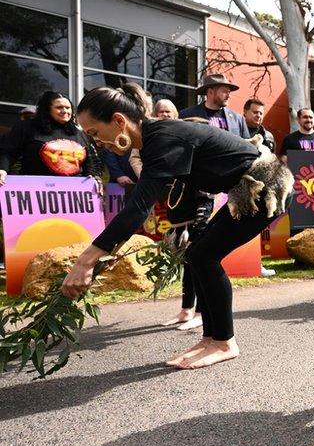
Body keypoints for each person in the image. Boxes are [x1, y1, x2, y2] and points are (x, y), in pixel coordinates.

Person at [61, 83, 291, 369]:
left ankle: (224, 342)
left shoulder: (161, 137)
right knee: (197, 256)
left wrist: (85, 262)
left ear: (119, 120)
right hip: (247, 186)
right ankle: (212, 338)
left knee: (204, 257)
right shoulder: (153, 140)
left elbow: (136, 211)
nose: (95, 142)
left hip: (266, 185)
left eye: (95, 133)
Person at [0, 91, 96, 184]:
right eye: (59, 107)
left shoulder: (78, 133)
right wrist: (2, 169)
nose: (65, 111)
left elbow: (89, 160)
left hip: (73, 191)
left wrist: (92, 176)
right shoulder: (27, 127)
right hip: (36, 189)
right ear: (47, 109)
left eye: (68, 108)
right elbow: (8, 152)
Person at [179, 73, 249, 138]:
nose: (228, 96)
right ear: (210, 92)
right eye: (224, 92)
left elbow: (248, 147)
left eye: (229, 92)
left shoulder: (238, 119)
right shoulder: (187, 115)